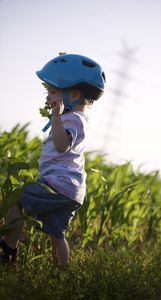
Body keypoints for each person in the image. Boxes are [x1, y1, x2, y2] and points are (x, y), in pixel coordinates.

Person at [0, 53, 106, 267]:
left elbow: (62, 144)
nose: (48, 97)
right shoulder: (75, 118)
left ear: (74, 93)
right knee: (57, 236)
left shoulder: (74, 119)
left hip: (58, 186)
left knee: (14, 198)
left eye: (53, 91)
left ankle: (9, 247)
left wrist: (56, 117)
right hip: (70, 191)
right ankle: (62, 273)